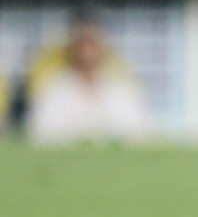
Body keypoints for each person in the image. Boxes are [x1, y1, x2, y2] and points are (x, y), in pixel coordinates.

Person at [25, 14, 151, 147]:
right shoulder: (54, 89)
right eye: (81, 43)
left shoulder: (120, 88)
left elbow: (138, 132)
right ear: (71, 46)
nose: (86, 50)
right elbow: (39, 134)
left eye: (92, 42)